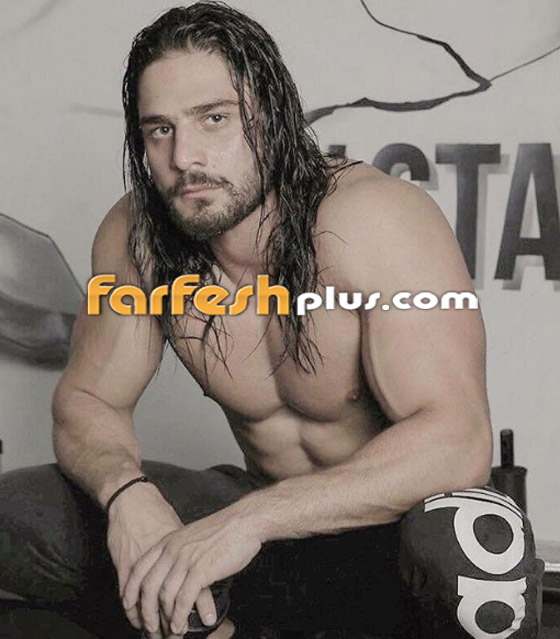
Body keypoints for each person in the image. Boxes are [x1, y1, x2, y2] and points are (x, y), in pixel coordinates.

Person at [0, 3, 542, 638]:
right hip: (260, 541)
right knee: (25, 511)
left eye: (214, 118)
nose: (185, 157)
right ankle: (211, 624)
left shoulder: (374, 220)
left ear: (274, 117)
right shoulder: (138, 238)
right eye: (160, 129)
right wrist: (128, 497)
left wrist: (247, 522)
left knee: (471, 543)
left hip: (386, 544)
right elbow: (89, 398)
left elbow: (457, 440)